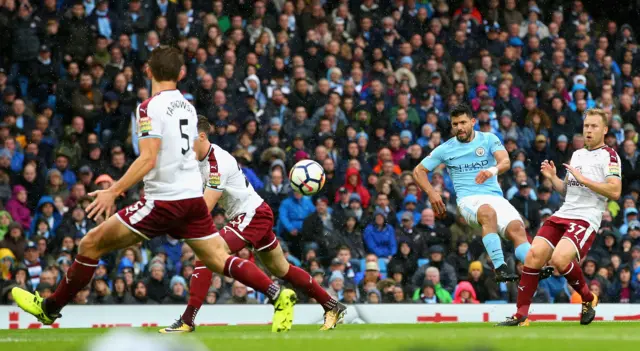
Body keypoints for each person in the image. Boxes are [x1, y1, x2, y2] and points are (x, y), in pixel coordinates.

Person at [11, 47, 294, 332]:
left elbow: (147, 157)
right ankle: (277, 294)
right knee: (219, 259)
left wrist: (114, 191)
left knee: (89, 244)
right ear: (181, 74)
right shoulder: (188, 107)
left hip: (163, 201)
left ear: (148, 70)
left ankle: (49, 309)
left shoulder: (149, 107)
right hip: (192, 200)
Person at [159, 117, 345, 334]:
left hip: (252, 214)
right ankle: (333, 306)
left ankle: (189, 320)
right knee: (281, 268)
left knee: (208, 253)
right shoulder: (193, 160)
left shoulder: (218, 162)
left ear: (201, 136)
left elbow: (205, 207)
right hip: (254, 213)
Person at [499, 109, 623, 326]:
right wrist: (553, 178)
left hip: (585, 217)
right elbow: (567, 190)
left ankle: (587, 298)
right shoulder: (577, 154)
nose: (589, 130)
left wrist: (584, 179)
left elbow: (615, 191)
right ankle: (521, 315)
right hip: (564, 212)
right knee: (533, 255)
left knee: (559, 259)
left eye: (594, 126)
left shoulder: (610, 156)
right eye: (586, 126)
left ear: (604, 130)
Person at [413, 103, 537, 282]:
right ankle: (500, 267)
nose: (459, 128)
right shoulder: (446, 148)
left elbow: (505, 161)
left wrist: (491, 171)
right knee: (488, 212)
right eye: (455, 124)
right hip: (469, 200)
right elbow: (418, 171)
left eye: (463, 122)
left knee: (517, 229)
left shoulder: (488, 139)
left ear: (472, 122)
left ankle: (533, 268)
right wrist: (432, 193)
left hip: (495, 197)